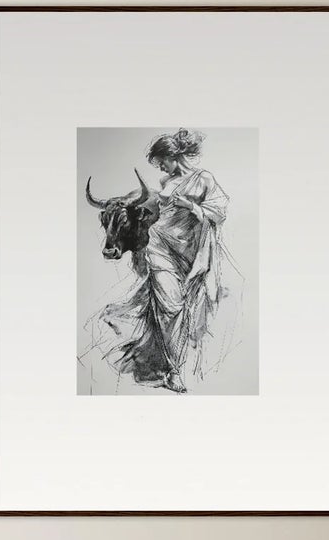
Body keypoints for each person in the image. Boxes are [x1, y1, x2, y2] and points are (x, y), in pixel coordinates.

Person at [86, 128, 236, 394]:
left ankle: (167, 363)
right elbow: (148, 210)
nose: (160, 167)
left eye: (161, 161)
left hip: (191, 251)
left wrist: (189, 206)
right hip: (159, 247)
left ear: (173, 155)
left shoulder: (204, 179)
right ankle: (172, 370)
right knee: (170, 305)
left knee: (182, 306)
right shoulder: (165, 184)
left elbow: (220, 212)